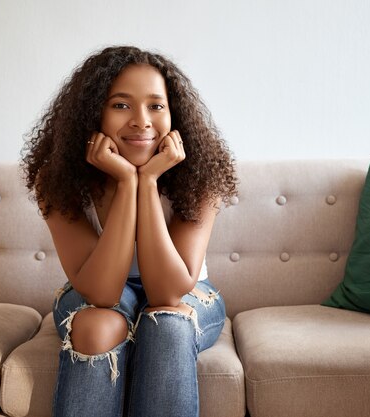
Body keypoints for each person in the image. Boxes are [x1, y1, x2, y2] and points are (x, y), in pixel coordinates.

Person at [22, 45, 237, 417]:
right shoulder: (57, 181)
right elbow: (103, 293)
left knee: (168, 324)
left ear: (173, 114)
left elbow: (168, 292)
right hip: (96, 289)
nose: (142, 121)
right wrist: (126, 182)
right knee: (95, 324)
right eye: (121, 105)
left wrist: (149, 182)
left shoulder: (202, 176)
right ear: (95, 113)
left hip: (188, 291)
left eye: (156, 106)